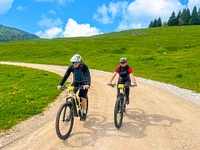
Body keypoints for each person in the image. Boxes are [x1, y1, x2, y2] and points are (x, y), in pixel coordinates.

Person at [57, 54, 91, 121]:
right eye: (73, 62)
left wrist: (87, 84)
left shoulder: (84, 67)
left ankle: (84, 111)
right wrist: (60, 84)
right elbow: (66, 75)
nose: (74, 64)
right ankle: (72, 109)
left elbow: (87, 75)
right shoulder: (71, 67)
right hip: (76, 82)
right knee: (71, 93)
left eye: (76, 62)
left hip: (84, 82)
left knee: (82, 96)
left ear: (80, 62)